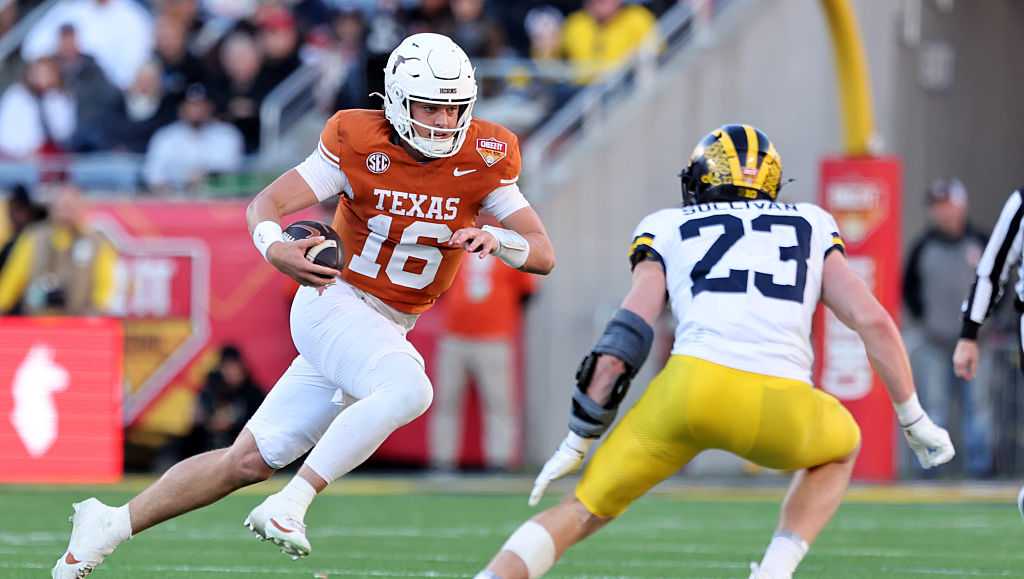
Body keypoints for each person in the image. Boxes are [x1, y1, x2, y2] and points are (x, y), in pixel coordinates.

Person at [52, 32, 555, 578]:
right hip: (332, 300)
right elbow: (266, 204)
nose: (441, 122)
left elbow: (543, 253)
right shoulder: (356, 138)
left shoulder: (487, 153)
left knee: (244, 462)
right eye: (429, 107)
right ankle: (292, 503)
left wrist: (499, 241)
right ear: (396, 100)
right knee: (410, 388)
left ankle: (107, 526)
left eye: (453, 108)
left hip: (385, 326)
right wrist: (275, 248)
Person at [474, 125, 954, 579]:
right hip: (780, 403)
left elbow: (626, 338)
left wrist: (578, 438)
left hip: (688, 393)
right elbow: (870, 319)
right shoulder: (811, 222)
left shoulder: (667, 226)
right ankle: (774, 570)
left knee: (583, 509)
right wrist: (914, 419)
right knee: (840, 447)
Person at [430, 215, 536, 472]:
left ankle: (499, 462)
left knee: (499, 402)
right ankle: (442, 462)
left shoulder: (510, 247)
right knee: (445, 401)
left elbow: (528, 292)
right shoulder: (456, 242)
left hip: (494, 338)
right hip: (454, 335)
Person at [903, 178, 992, 477]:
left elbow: (999, 281)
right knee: (932, 407)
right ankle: (930, 468)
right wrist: (926, 319)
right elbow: (909, 288)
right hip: (935, 342)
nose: (943, 213)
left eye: (947, 205)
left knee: (979, 409)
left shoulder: (980, 242)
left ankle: (980, 470)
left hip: (977, 343)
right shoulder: (922, 246)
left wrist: (987, 323)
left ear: (961, 205)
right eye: (937, 207)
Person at [0, 183, 116, 316]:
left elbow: (105, 286)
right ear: (52, 208)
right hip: (37, 325)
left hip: (80, 326)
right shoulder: (33, 238)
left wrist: (97, 314)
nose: (65, 211)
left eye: (71, 206)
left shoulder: (97, 242)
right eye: (61, 206)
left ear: (82, 207)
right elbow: (12, 280)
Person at [143, 83, 244, 192]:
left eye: (200, 105)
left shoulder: (227, 134)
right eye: (191, 105)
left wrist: (204, 177)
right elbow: (153, 173)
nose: (196, 111)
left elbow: (231, 170)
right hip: (173, 198)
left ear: (210, 107)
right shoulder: (166, 136)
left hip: (216, 198)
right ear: (181, 108)